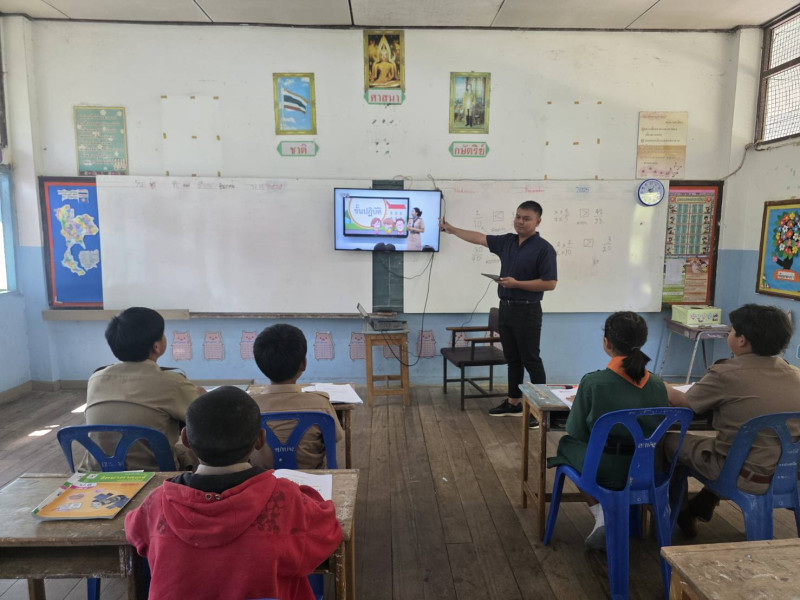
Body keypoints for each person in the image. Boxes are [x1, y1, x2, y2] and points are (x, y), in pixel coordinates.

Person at [125, 387, 342, 600]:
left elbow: (134, 531)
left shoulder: (157, 502)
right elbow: (327, 531)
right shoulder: (284, 499)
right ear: (260, 439)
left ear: (186, 439)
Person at [665, 303, 800, 537]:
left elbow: (684, 402)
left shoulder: (726, 374)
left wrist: (662, 385)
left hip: (744, 476)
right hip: (790, 475)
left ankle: (679, 512)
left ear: (742, 340)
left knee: (669, 442)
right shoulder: (795, 374)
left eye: (731, 330)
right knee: (744, 448)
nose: (730, 334)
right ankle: (703, 503)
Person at [547, 312, 669, 549]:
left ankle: (600, 512)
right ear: (642, 341)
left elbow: (577, 432)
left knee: (566, 446)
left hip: (605, 469)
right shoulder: (657, 383)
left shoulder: (593, 383)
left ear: (606, 342)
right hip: (647, 468)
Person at [440, 200, 557, 426]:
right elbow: (479, 238)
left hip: (528, 310)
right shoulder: (508, 241)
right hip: (506, 308)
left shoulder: (544, 249)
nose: (520, 221)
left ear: (538, 221)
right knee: (513, 359)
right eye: (518, 217)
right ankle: (514, 403)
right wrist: (452, 230)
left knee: (531, 360)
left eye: (526, 218)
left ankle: (541, 410)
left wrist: (517, 284)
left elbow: (550, 283)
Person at [81, 307, 204, 471]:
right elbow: (206, 420)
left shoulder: (96, 378)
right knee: (199, 450)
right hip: (154, 471)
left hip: (97, 470)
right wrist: (203, 398)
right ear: (157, 347)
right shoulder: (173, 382)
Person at [249, 323, 344, 469]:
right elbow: (335, 437)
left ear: (260, 365)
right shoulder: (320, 404)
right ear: (303, 364)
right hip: (313, 480)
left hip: (262, 481)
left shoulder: (248, 408)